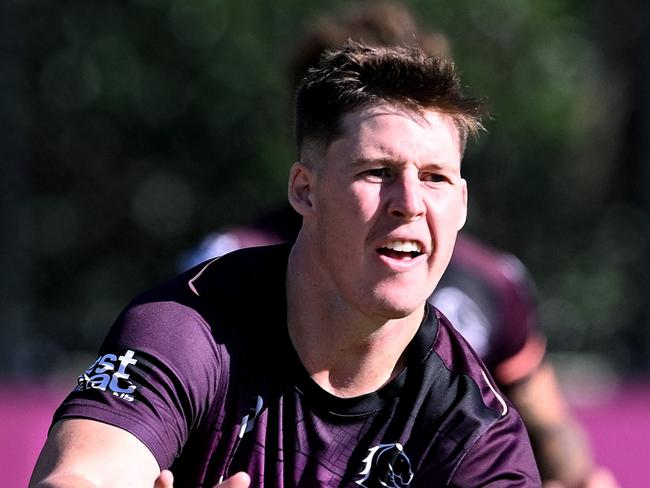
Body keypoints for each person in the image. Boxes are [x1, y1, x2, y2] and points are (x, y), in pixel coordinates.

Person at [30, 42, 541, 487]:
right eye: (377, 171)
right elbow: (82, 473)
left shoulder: (476, 432)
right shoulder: (191, 327)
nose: (409, 202)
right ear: (305, 189)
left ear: (463, 205)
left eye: (435, 178)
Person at [178, 3, 619, 488]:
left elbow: (549, 429)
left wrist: (577, 478)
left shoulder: (491, 281)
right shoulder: (222, 269)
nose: (408, 202)